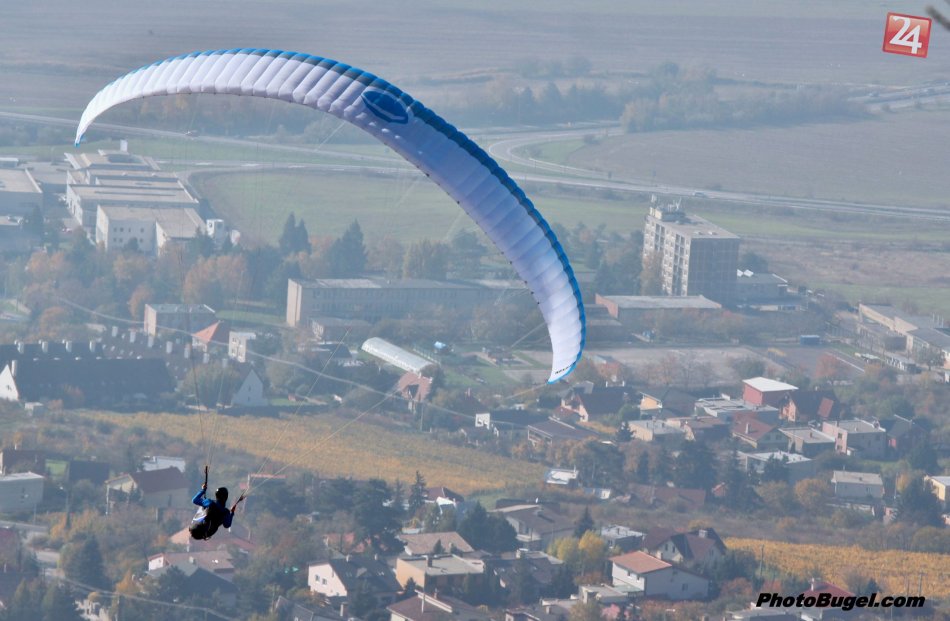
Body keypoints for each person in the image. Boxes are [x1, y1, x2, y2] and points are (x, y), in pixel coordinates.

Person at [190, 468, 244, 540]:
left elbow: (194, 500)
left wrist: (203, 490)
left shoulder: (209, 502)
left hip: (194, 528)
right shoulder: (225, 512)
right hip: (205, 534)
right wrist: (232, 513)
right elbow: (227, 525)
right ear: (226, 498)